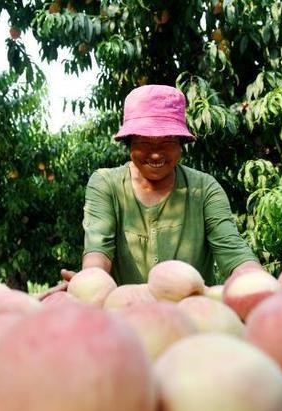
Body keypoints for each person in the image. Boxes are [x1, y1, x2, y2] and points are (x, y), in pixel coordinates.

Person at [55, 84, 263, 293]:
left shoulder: (204, 189)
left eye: (167, 142)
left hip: (192, 318)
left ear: (181, 143)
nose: (155, 154)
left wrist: (259, 284)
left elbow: (234, 252)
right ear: (129, 143)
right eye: (144, 142)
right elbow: (98, 253)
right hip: (125, 316)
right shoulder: (106, 184)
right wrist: (90, 282)